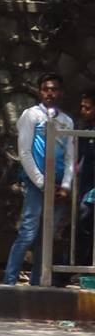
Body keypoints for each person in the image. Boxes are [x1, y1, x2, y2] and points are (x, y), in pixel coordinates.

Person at [3, 73, 76, 286]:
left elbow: (71, 157)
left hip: (59, 185)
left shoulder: (66, 121)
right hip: (37, 184)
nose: (50, 93)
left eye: (54, 89)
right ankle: (9, 281)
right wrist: (43, 183)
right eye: (46, 89)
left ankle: (37, 283)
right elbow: (24, 152)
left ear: (60, 93)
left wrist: (65, 186)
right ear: (39, 91)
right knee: (28, 232)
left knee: (47, 236)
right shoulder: (31, 116)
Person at [74, 92, 95, 270]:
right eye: (82, 107)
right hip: (86, 186)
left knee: (85, 216)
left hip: (91, 188)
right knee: (84, 224)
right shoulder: (85, 131)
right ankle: (83, 266)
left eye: (87, 108)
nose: (83, 111)